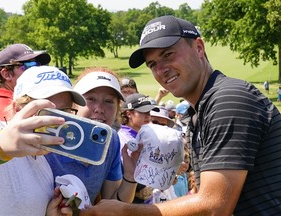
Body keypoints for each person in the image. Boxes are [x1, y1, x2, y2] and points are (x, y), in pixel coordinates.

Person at [80, 15, 281, 215]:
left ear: (199, 48)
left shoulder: (228, 99)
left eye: (168, 55)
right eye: (152, 64)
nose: (161, 70)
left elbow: (215, 207)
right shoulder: (200, 111)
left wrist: (123, 211)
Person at [0, 65, 85, 215]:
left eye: (65, 112)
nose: (56, 121)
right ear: (18, 109)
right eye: (47, 111)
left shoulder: (42, 160)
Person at [45, 67, 141, 207]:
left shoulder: (111, 140)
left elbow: (112, 206)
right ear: (74, 103)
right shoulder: (50, 136)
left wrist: (131, 177)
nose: (99, 108)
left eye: (109, 101)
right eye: (91, 99)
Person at [0, 43, 51, 120]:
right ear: (7, 74)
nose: (36, 71)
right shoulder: (19, 110)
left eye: (37, 65)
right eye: (29, 66)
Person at [118, 93, 157, 204]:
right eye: (143, 112)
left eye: (148, 112)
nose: (148, 116)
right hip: (132, 202)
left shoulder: (143, 134)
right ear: (129, 113)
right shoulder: (124, 139)